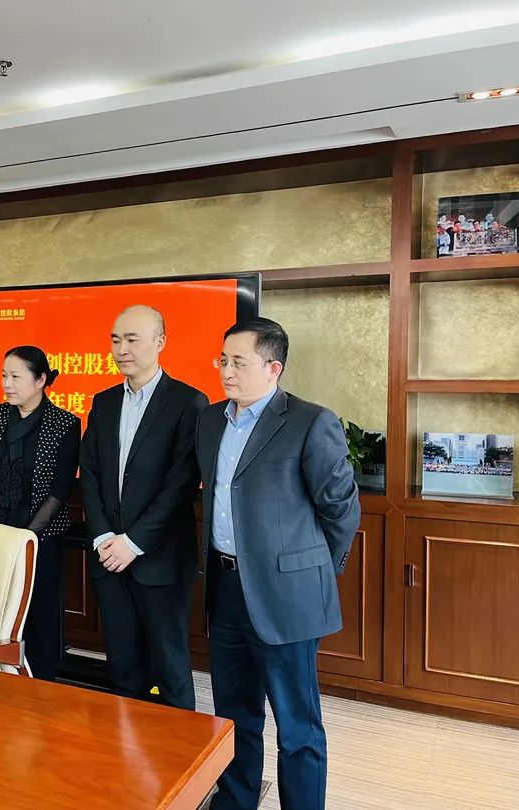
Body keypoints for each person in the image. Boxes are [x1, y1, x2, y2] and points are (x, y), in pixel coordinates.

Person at [197, 317, 360, 810]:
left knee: (297, 725)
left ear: (273, 368)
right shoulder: (210, 420)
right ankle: (236, 801)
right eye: (222, 360)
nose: (226, 371)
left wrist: (312, 572)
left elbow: (341, 509)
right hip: (226, 588)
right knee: (234, 714)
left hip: (287, 597)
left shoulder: (310, 421)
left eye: (238, 362)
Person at [79, 305, 207, 710]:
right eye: (116, 340)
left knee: (169, 669)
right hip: (108, 557)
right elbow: (90, 473)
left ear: (160, 342)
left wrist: (132, 542)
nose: (122, 349)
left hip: (159, 559)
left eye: (132, 339)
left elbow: (180, 484)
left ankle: (181, 749)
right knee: (123, 668)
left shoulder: (189, 402)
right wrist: (104, 536)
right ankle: (125, 745)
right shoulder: (103, 402)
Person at [0, 346, 81, 680]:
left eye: (16, 377)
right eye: (4, 375)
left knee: (39, 621)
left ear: (40, 380)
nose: (7, 384)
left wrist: (25, 539)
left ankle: (40, 688)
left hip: (39, 541)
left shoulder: (64, 424)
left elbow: (59, 491)